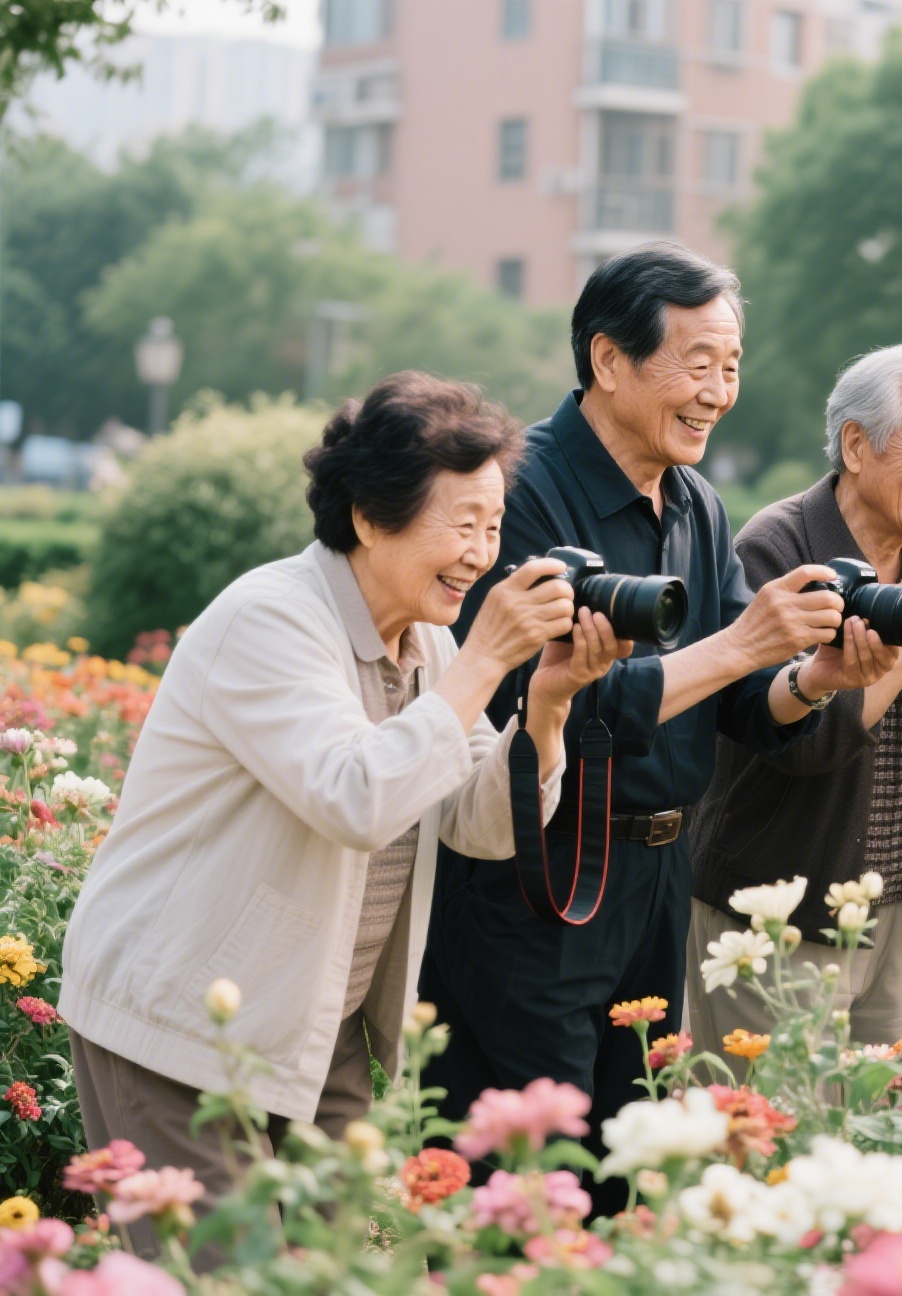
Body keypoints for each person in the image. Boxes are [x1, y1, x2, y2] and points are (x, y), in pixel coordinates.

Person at [58, 372, 626, 1257]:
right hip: (182, 1029)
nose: (484, 554)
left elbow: (476, 823)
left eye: (493, 524)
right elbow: (355, 797)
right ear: (368, 515)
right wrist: (484, 663)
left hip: (317, 1024)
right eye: (461, 523)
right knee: (213, 1275)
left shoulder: (429, 642)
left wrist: (545, 704)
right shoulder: (272, 620)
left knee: (337, 1273)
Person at [421, 246, 885, 1191]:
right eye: (697, 362)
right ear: (607, 361)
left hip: (656, 883)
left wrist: (818, 676)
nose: (719, 391)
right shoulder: (518, 494)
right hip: (536, 881)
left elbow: (743, 701)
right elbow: (532, 704)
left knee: (631, 1167)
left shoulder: (697, 503)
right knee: (528, 1177)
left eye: (732, 365)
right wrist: (744, 646)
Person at [686, 344, 902, 1068]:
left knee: (891, 1137)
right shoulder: (779, 549)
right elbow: (803, 742)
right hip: (780, 911)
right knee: (778, 1137)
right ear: (856, 443)